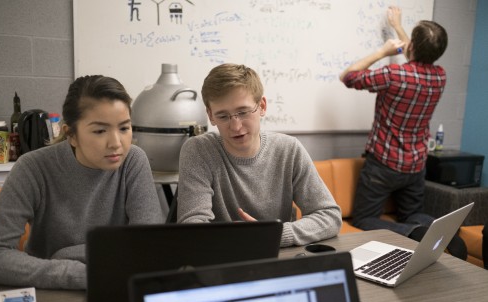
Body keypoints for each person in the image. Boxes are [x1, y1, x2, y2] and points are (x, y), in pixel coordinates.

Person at [0, 75, 163, 290]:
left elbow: (149, 247)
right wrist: (82, 274)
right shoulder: (32, 168)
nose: (116, 143)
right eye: (100, 131)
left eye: (124, 128)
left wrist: (65, 255)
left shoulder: (134, 160)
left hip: (115, 285)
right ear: (71, 134)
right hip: (52, 291)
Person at [339, 7, 466, 259]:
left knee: (364, 218)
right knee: (411, 213)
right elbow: (418, 53)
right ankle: (437, 230)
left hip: (383, 165)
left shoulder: (394, 74)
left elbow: (349, 77)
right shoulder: (440, 76)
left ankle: (411, 232)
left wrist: (383, 51)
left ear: (412, 48)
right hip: (416, 165)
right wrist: (398, 26)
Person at [177, 63, 342, 247]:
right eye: (223, 116)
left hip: (276, 256)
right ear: (210, 115)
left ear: (262, 106)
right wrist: (240, 238)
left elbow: (330, 216)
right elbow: (191, 229)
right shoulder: (198, 150)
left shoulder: (289, 149)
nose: (236, 126)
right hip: (221, 258)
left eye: (243, 112)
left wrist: (272, 235)